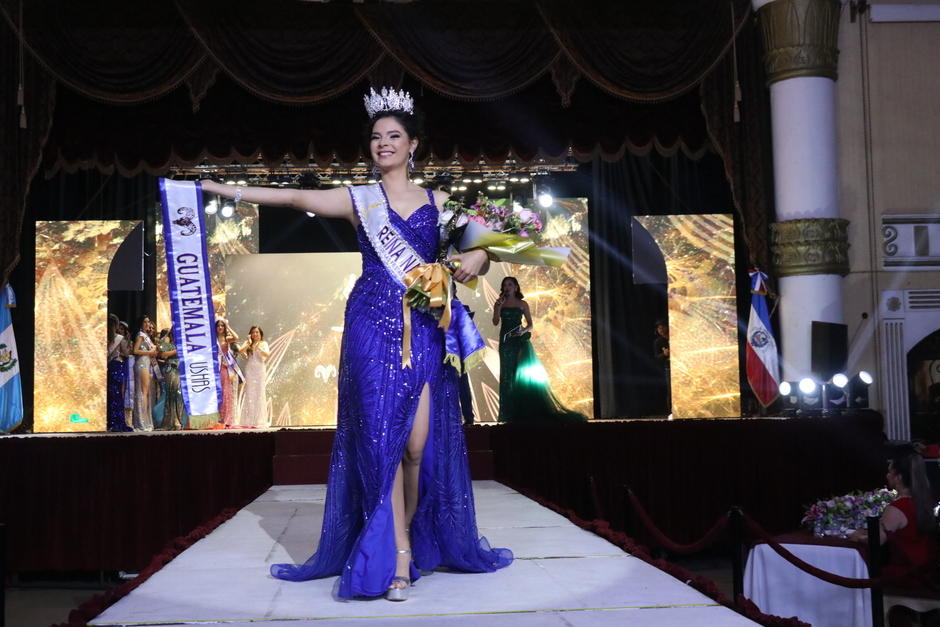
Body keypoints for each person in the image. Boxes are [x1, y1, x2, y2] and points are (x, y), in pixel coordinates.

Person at [200, 86, 511, 601]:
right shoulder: (358, 199)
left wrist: (479, 257)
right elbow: (295, 197)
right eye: (375, 137)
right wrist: (223, 188)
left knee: (416, 446)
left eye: (393, 136)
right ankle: (398, 555)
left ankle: (408, 537)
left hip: (423, 325)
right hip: (369, 321)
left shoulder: (440, 203)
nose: (383, 143)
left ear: (413, 145)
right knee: (380, 441)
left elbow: (495, 238)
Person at [492, 276, 585, 423]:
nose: (507, 287)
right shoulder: (500, 304)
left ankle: (520, 413)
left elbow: (530, 324)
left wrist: (523, 331)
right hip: (505, 344)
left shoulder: (523, 304)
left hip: (519, 342)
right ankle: (506, 415)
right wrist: (497, 307)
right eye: (505, 285)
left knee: (518, 376)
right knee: (506, 377)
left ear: (516, 287)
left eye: (510, 284)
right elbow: (495, 322)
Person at [849, 448, 940, 590]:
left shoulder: (899, 507)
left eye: (890, 472)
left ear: (899, 478)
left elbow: (877, 540)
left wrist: (856, 537)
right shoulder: (924, 500)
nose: (887, 475)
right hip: (926, 568)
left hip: (907, 573)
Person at [237, 326, 270, 428]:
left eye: (257, 332)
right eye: (253, 332)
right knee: (250, 394)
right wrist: (248, 342)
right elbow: (241, 351)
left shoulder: (263, 343)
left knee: (259, 393)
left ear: (260, 334)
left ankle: (259, 420)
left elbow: (267, 354)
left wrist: (259, 347)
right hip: (250, 371)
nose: (255, 334)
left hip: (259, 370)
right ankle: (249, 420)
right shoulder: (249, 343)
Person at [132, 314, 158, 431]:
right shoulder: (141, 336)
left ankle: (146, 421)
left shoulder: (146, 336)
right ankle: (141, 422)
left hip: (146, 363)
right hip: (141, 363)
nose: (148, 324)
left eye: (148, 322)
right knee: (143, 393)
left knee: (146, 393)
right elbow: (135, 350)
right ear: (141, 324)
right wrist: (150, 352)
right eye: (145, 322)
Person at [106, 314, 131, 432]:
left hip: (108, 367)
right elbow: (126, 353)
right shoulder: (120, 338)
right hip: (117, 366)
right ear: (116, 325)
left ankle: (109, 421)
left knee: (110, 395)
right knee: (118, 395)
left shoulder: (104, 337)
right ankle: (118, 422)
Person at [157, 327, 186, 430]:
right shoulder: (169, 344)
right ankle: (173, 420)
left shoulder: (183, 342)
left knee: (180, 395)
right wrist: (176, 351)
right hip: (171, 369)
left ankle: (179, 419)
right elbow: (163, 354)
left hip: (181, 370)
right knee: (172, 394)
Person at [214, 318, 240, 428]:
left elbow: (236, 337)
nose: (220, 327)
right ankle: (217, 418)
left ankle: (227, 419)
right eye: (218, 325)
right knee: (217, 392)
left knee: (225, 392)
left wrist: (228, 326)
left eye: (222, 326)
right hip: (215, 367)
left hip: (224, 368)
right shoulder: (212, 339)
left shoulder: (226, 338)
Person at [653, 319, 671, 415]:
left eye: (662, 327)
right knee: (670, 391)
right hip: (669, 368)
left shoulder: (676, 336)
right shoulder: (658, 342)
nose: (661, 330)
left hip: (684, 367)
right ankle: (670, 413)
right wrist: (664, 354)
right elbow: (656, 358)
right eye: (659, 328)